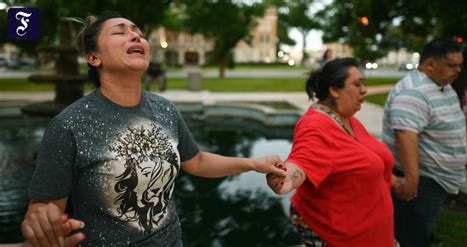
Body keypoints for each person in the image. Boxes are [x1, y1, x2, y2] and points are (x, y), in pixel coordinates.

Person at [20, 12, 286, 247]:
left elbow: (197, 161)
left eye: (138, 32)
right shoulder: (68, 125)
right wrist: (41, 222)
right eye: (120, 32)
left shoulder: (164, 109)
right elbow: (44, 209)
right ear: (93, 57)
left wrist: (253, 163)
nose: (135, 36)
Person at [267, 58, 399, 246]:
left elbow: (366, 161)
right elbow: (303, 159)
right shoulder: (315, 125)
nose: (364, 90)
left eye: (364, 83)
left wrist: (397, 182)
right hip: (339, 234)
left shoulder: (346, 118)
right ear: (334, 90)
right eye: (357, 84)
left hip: (372, 230)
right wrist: (285, 177)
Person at [382, 38, 467, 247]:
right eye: (452, 65)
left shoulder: (442, 85)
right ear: (430, 64)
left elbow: (457, 120)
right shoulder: (413, 92)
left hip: (435, 181)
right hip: (422, 182)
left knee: (422, 229)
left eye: (460, 64)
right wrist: (411, 182)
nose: (458, 70)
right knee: (412, 237)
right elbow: (405, 136)